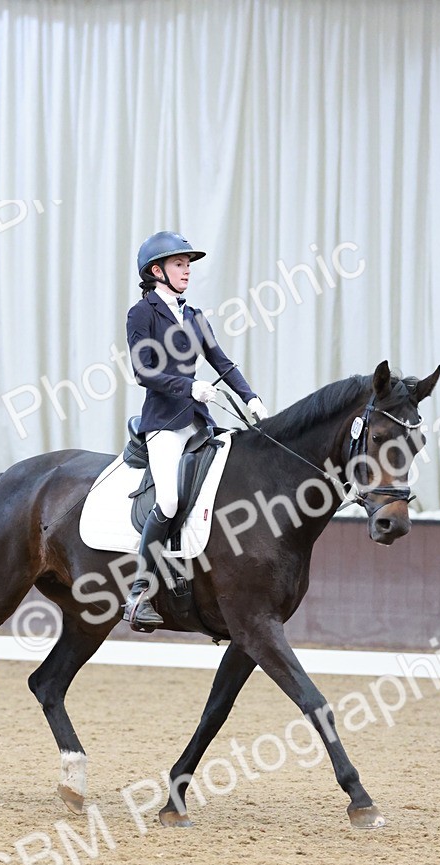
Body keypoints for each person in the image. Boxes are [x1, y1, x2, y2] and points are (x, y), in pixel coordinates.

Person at [122, 231, 268, 631]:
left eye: (188, 264)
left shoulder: (194, 315)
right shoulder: (142, 314)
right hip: (164, 425)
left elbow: (221, 361)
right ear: (157, 271)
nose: (187, 271)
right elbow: (143, 370)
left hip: (200, 421)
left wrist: (250, 397)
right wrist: (189, 386)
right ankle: (138, 592)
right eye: (179, 264)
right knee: (168, 502)